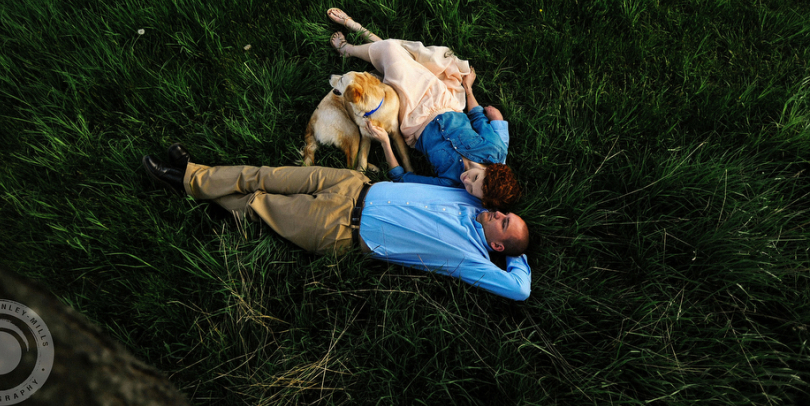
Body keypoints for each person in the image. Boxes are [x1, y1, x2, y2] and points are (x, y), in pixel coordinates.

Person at [142, 145, 531, 300]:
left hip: (341, 227)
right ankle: (195, 173)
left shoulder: (470, 257)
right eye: (506, 213)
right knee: (265, 174)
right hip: (351, 183)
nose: (498, 215)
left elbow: (519, 290)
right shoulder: (468, 198)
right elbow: (484, 170)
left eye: (503, 224)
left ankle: (182, 180)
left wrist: (519, 254)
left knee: (259, 202)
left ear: (497, 245)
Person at [326, 8, 521, 210]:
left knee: (392, 60)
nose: (466, 181)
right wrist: (468, 88)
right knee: (394, 53)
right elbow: (477, 117)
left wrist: (385, 142)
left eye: (471, 190)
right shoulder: (494, 150)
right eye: (475, 178)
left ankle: (353, 41)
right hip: (441, 99)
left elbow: (403, 179)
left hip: (412, 119)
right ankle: (348, 46)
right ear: (491, 170)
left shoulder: (450, 183)